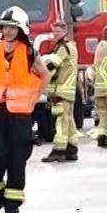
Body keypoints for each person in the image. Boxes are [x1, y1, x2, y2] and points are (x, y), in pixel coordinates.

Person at [0, 6, 44, 213]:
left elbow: (44, 75)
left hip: (20, 115)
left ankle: (12, 207)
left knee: (17, 160)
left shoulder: (28, 51)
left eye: (13, 28)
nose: (8, 31)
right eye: (5, 27)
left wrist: (33, 99)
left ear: (20, 30)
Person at [40, 33, 80, 163]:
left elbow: (52, 65)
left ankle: (59, 150)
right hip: (68, 89)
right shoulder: (72, 47)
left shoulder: (63, 48)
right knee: (68, 119)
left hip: (61, 89)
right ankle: (72, 148)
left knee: (61, 120)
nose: (53, 36)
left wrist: (40, 65)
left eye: (56, 33)